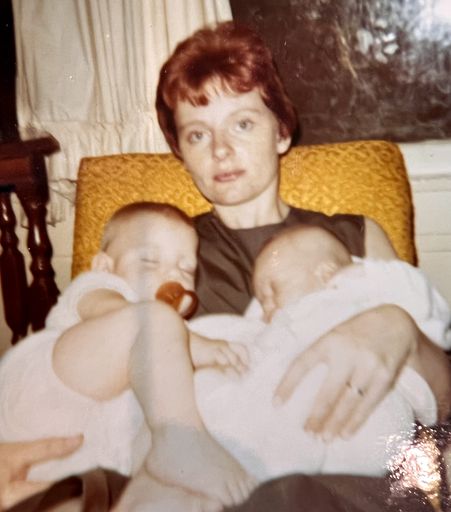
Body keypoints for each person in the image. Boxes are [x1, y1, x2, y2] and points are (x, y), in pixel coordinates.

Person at [7, 19, 451, 512]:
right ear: (181, 153)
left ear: (281, 131)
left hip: (344, 483)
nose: (221, 151)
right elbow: (87, 379)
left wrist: (402, 331)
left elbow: (440, 408)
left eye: (242, 124)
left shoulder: (352, 236)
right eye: (198, 134)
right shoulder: (163, 254)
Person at [0, 201, 254, 511]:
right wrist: (197, 344)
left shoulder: (168, 344)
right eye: (149, 261)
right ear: (105, 265)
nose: (172, 275)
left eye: (186, 269)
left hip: (71, 466)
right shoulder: (100, 287)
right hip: (51, 383)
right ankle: (183, 441)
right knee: (153, 321)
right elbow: (121, 313)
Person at [191, 224, 450, 481]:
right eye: (261, 301)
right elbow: (250, 337)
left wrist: (394, 317)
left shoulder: (356, 285)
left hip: (367, 413)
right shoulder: (190, 241)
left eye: (272, 291)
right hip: (292, 414)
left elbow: (418, 301)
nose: (266, 308)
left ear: (326, 273)